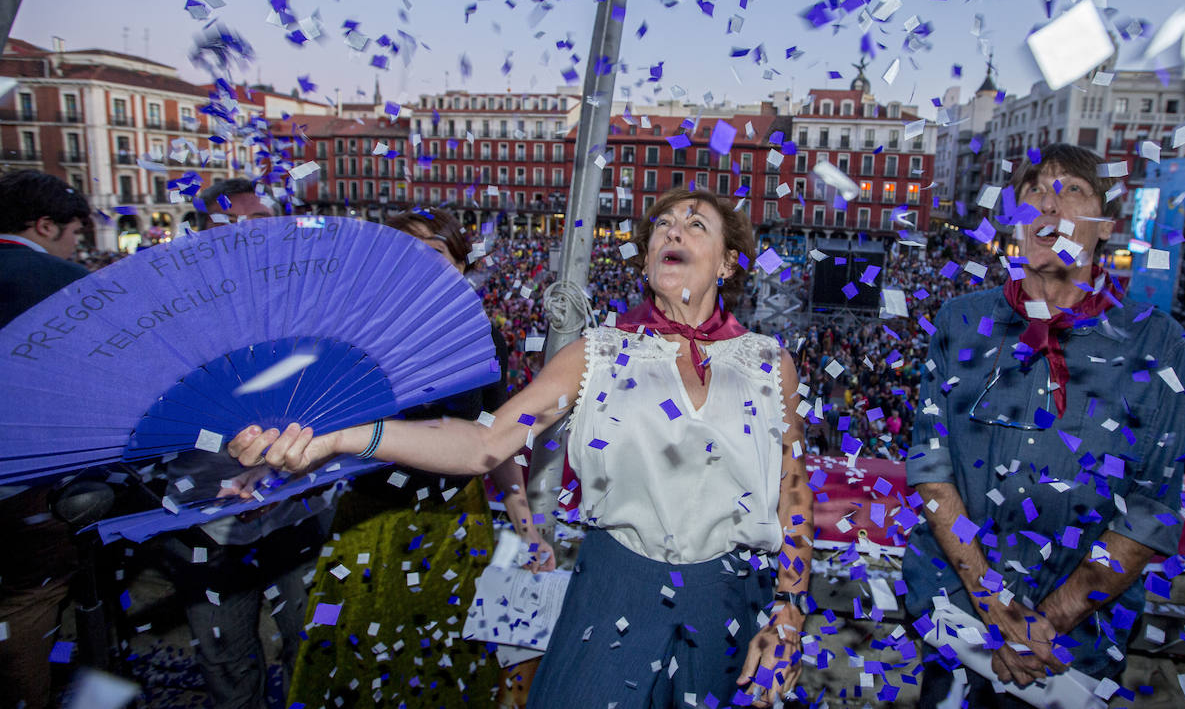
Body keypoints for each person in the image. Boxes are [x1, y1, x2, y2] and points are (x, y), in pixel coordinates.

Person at [228, 187, 815, 708]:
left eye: (694, 224)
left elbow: (792, 490)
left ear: (729, 262)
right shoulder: (597, 354)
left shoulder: (769, 364)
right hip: (616, 587)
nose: (672, 231)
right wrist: (340, 438)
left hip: (729, 595)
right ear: (645, 257)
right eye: (662, 224)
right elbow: (485, 443)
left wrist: (789, 610)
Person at [901, 144, 1185, 707]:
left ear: (1106, 225)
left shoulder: (1159, 344)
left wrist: (1045, 625)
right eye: (1034, 190)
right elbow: (931, 470)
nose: (1049, 206)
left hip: (1073, 654)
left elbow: (1150, 510)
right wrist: (995, 609)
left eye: (1073, 191)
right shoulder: (961, 322)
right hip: (959, 624)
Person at [282, 208, 553, 708]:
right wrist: (271, 468)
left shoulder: (486, 338)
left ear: (461, 265)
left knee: (446, 660)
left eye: (435, 251)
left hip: (456, 528)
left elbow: (495, 442)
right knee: (361, 662)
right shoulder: (355, 341)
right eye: (402, 252)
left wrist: (526, 527)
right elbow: (322, 435)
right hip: (371, 525)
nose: (419, 262)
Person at [159, 177, 332, 709]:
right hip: (207, 521)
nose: (250, 235)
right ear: (205, 232)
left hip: (297, 512)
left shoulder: (310, 309)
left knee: (313, 646)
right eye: (234, 225)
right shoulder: (169, 318)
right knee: (225, 660)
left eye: (261, 223)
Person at [0, 170, 92, 709]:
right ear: (45, 225)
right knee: (29, 600)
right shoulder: (57, 280)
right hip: (24, 480)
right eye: (75, 233)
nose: (77, 245)